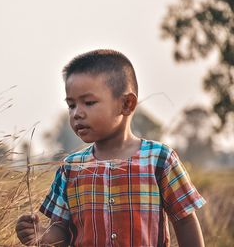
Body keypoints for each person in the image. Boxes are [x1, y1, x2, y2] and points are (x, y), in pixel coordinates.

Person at [15, 49, 206, 247]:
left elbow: (184, 221)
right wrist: (42, 236)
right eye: (71, 105)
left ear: (126, 104)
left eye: (89, 102)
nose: (77, 113)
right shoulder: (71, 168)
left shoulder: (159, 160)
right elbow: (61, 229)